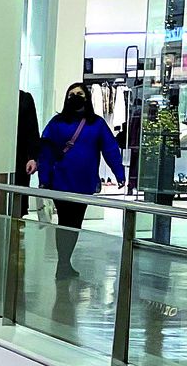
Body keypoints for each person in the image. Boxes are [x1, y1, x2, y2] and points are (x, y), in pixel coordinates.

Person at [38, 79, 125, 279]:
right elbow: (46, 152)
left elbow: (110, 149)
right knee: (65, 222)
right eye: (71, 95)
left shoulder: (97, 124)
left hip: (84, 184)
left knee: (75, 223)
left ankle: (65, 262)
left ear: (86, 99)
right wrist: (44, 178)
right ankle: (63, 263)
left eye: (79, 94)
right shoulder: (57, 123)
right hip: (61, 181)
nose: (75, 98)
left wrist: (119, 173)